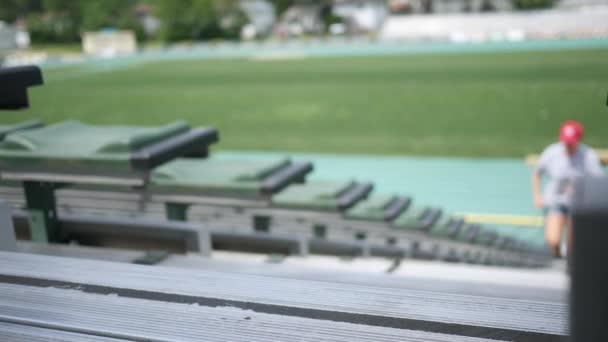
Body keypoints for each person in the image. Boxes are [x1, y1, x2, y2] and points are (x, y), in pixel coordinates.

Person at [532, 120, 604, 258]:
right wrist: (537, 196)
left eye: (571, 142)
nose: (568, 145)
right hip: (555, 201)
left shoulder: (588, 155)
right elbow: (537, 173)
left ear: (578, 140)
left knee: (574, 243)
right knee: (553, 240)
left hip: (577, 203)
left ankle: (571, 266)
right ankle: (557, 257)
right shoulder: (552, 152)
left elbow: (597, 179)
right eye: (566, 141)